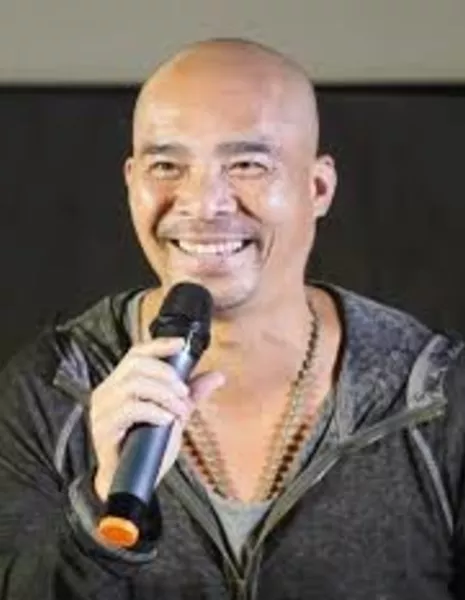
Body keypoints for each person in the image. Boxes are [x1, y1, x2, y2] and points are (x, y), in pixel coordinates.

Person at [0, 38, 464, 600]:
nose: (201, 203)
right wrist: (99, 510)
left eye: (247, 165)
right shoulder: (49, 391)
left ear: (317, 188)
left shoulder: (439, 398)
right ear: (131, 183)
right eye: (166, 165)